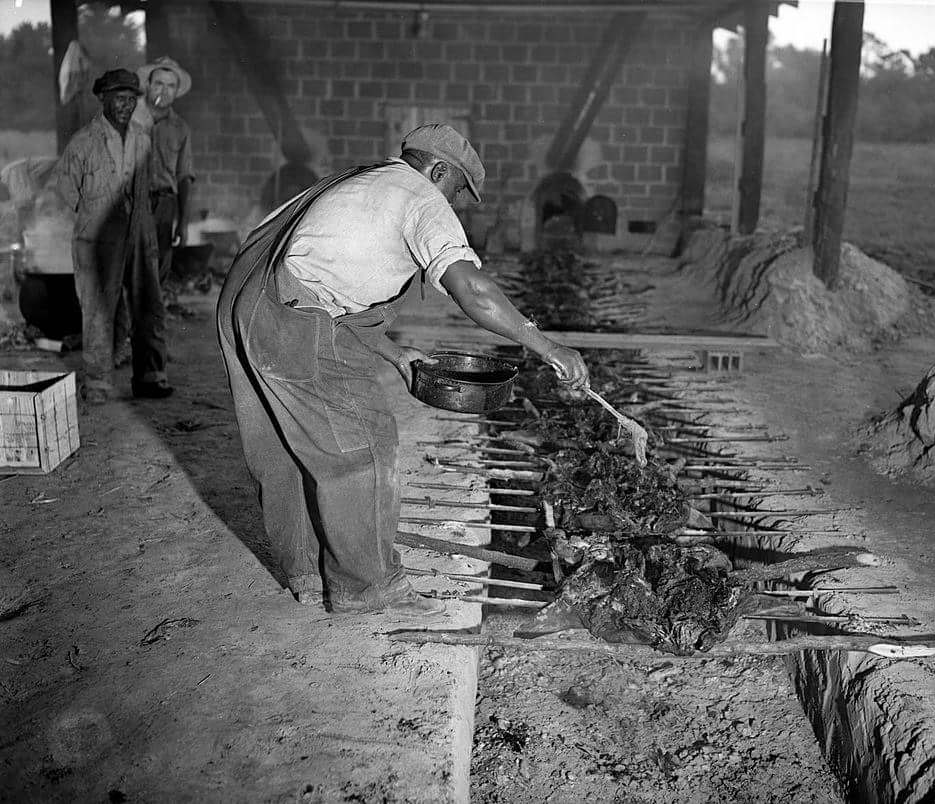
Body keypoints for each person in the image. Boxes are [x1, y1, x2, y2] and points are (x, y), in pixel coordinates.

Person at [217, 123, 589, 616]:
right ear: (439, 171)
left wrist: (394, 353)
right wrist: (548, 346)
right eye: (457, 192)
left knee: (286, 451)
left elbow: (322, 277)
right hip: (293, 321)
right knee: (365, 447)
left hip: (249, 305)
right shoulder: (421, 197)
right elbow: (472, 291)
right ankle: (368, 587)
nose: (453, 206)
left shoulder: (367, 182)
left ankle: (307, 577)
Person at [52, 68, 172, 402]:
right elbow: (64, 191)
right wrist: (95, 216)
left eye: (131, 99)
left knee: (149, 304)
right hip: (98, 240)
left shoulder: (143, 139)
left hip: (138, 233)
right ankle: (99, 384)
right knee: (98, 310)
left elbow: (146, 188)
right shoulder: (84, 143)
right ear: (103, 98)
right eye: (119, 98)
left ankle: (150, 376)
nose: (126, 105)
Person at [132, 56, 195, 281]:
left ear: (176, 91)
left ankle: (154, 314)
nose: (164, 90)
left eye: (170, 86)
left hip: (165, 206)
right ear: (148, 85)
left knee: (158, 271)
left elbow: (185, 177)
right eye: (158, 83)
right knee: (131, 267)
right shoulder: (128, 120)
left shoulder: (180, 128)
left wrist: (183, 224)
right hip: (131, 202)